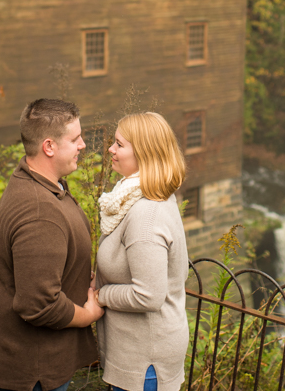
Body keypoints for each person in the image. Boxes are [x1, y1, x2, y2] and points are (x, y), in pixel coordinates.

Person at [0, 98, 103, 391]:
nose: (83, 145)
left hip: (34, 363)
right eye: (75, 139)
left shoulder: (39, 180)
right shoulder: (39, 211)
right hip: (31, 370)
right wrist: (88, 316)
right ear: (49, 147)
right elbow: (39, 305)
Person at [95, 112, 189, 391]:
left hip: (147, 360)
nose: (111, 149)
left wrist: (101, 295)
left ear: (145, 154)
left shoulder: (146, 215)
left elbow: (148, 296)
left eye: (119, 144)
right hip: (137, 352)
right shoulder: (135, 195)